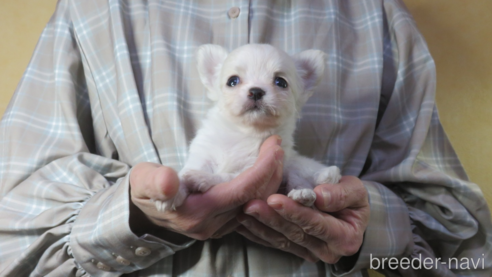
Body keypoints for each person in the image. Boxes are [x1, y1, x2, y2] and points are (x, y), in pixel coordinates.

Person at [0, 0, 490, 276]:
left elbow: (467, 252)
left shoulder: (377, 15)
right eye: (236, 81)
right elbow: (10, 221)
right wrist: (131, 217)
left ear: (301, 86)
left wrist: (373, 232)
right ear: (216, 81)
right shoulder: (92, 12)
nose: (256, 91)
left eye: (279, 82)